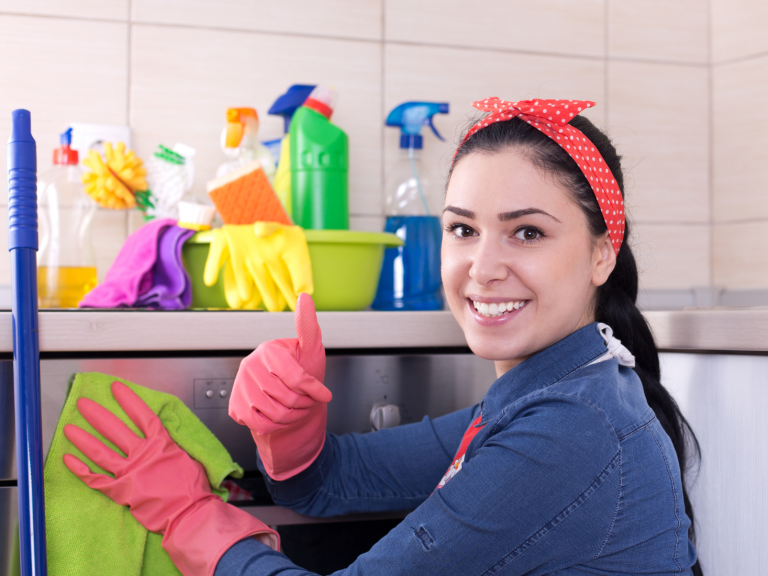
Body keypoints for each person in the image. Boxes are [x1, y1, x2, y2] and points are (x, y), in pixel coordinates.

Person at [63, 97, 702, 576]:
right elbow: (327, 484)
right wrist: (292, 434)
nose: (482, 267)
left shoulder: (569, 433)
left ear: (601, 254)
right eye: (463, 229)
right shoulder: (550, 394)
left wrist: (187, 516)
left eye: (527, 232)